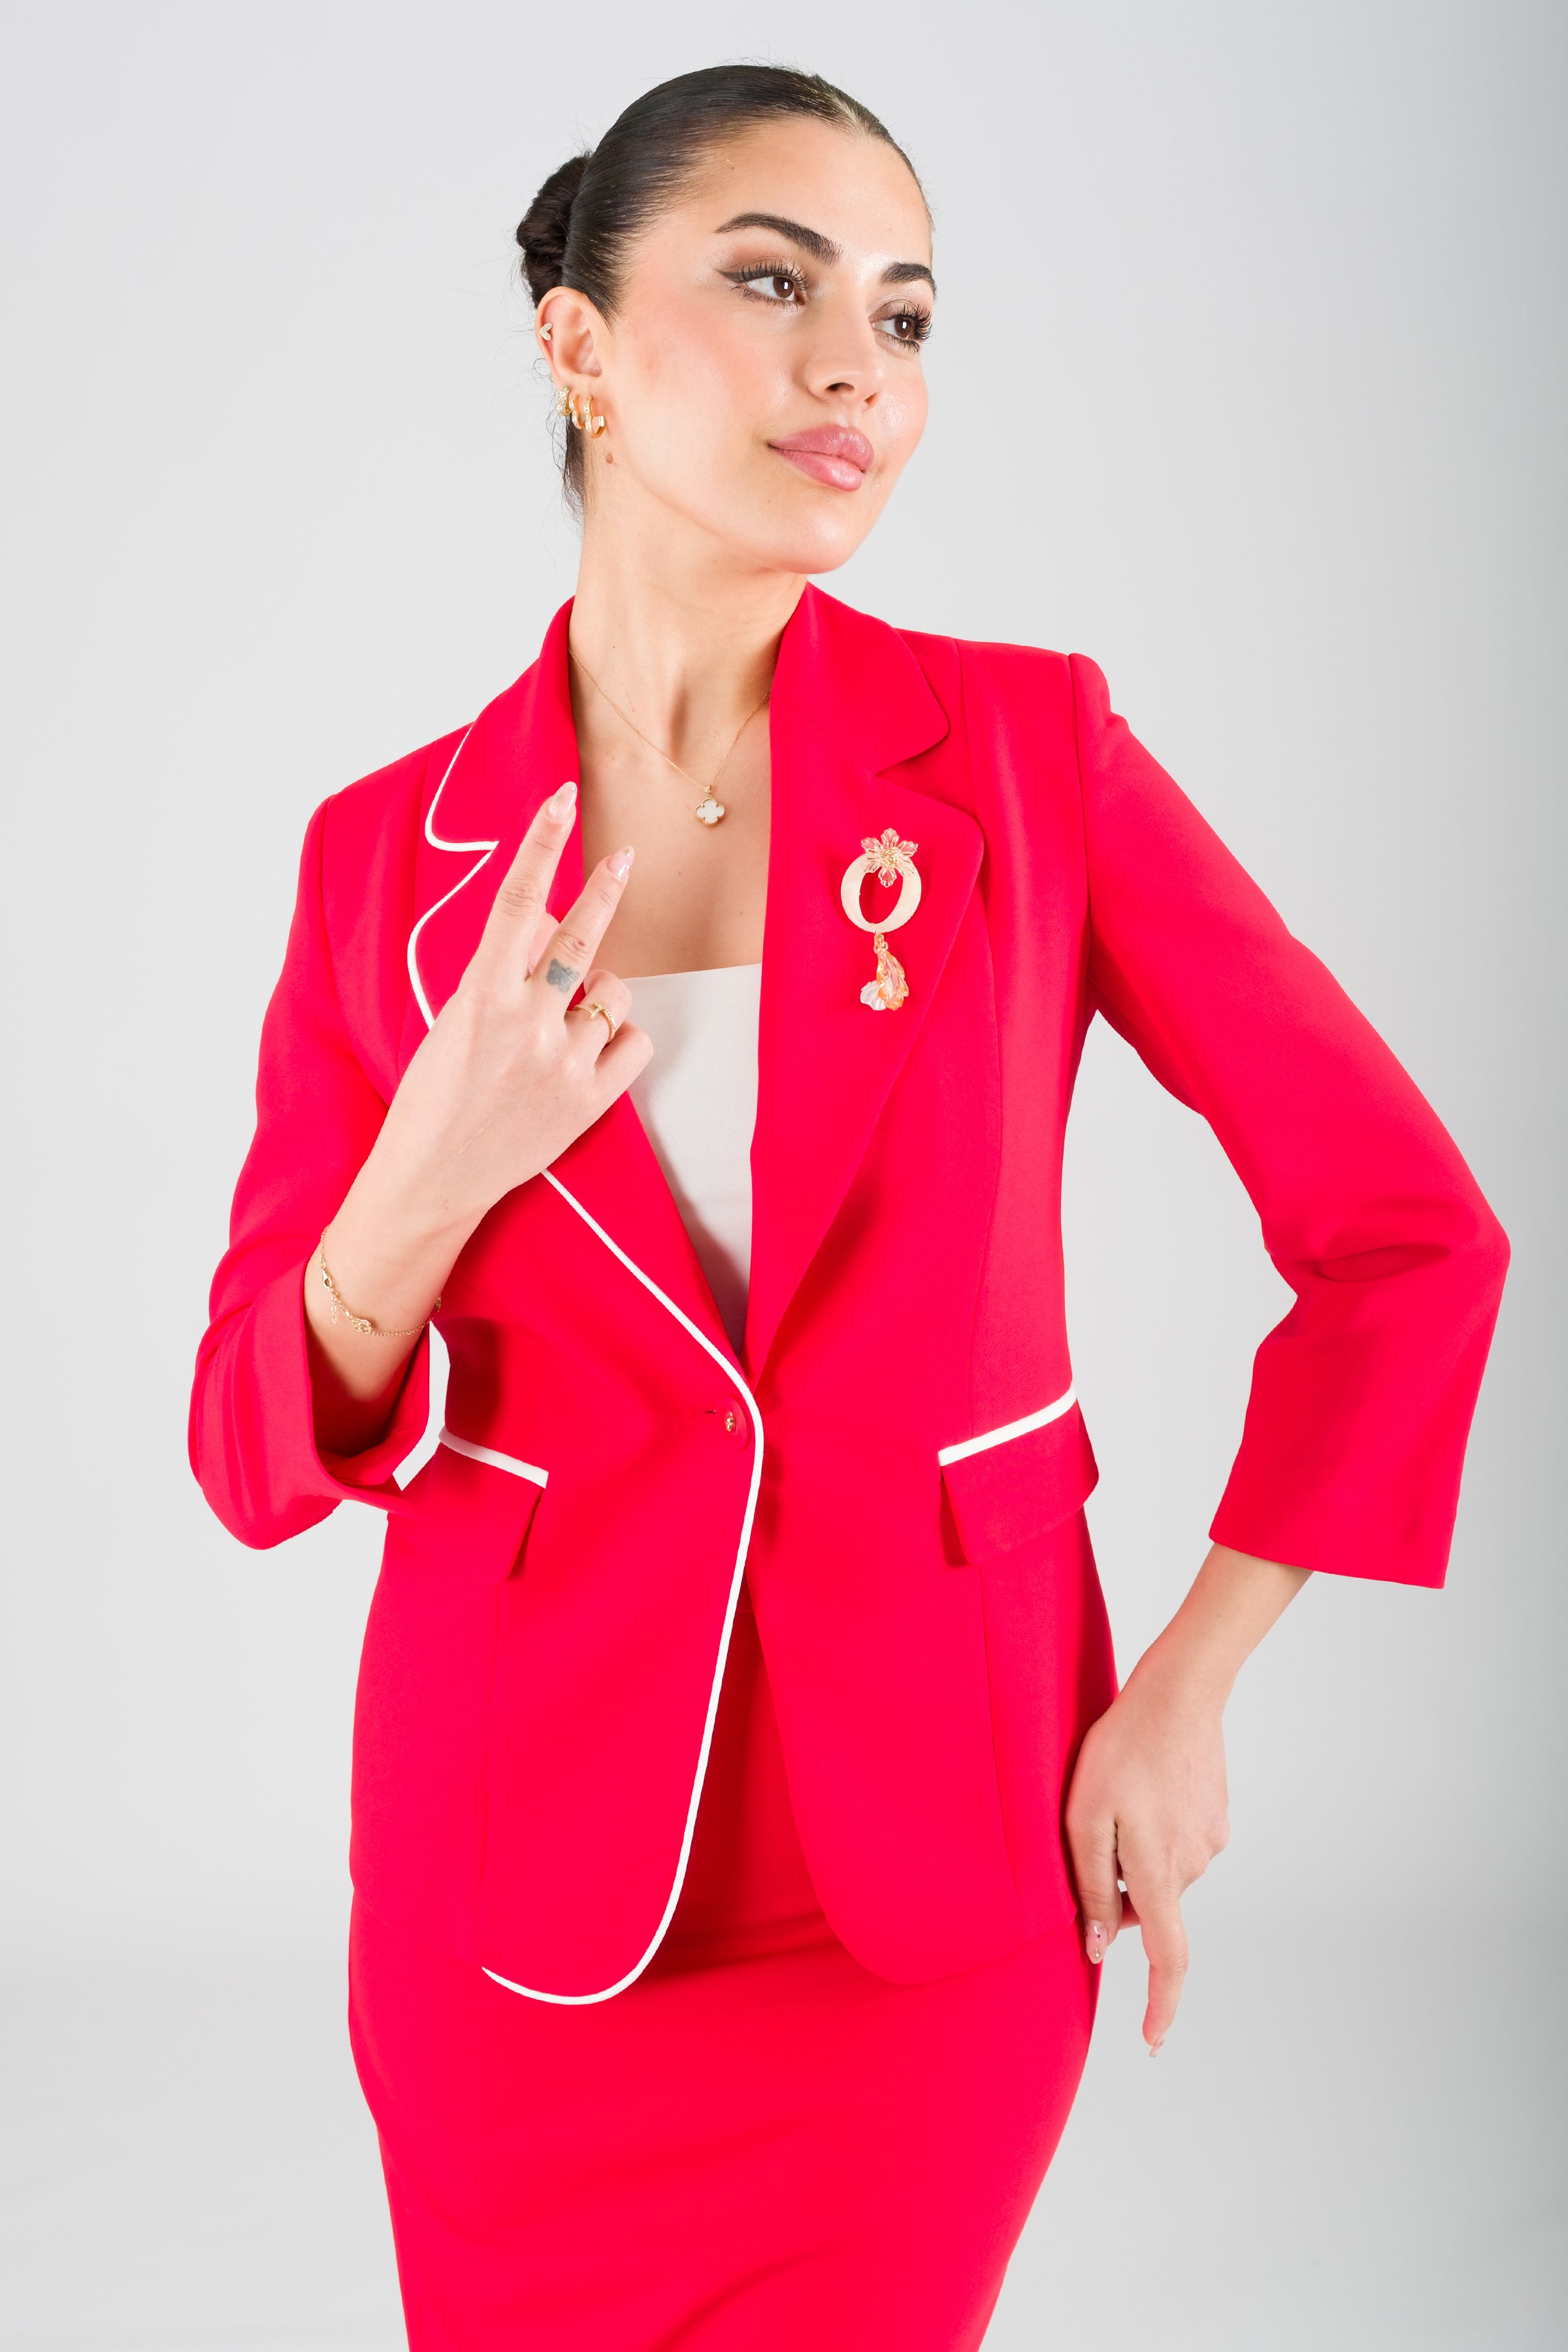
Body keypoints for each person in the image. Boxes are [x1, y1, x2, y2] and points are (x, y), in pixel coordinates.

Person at [189, 61, 1508, 2352]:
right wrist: (436, 1158)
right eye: (774, 284)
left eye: (902, 317)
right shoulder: (383, 860)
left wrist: (1186, 1689)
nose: (855, 372)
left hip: (937, 1889)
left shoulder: (1027, 755)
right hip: (512, 1900)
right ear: (579, 345)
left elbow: (1408, 1235)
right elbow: (246, 1449)